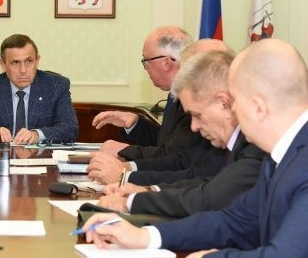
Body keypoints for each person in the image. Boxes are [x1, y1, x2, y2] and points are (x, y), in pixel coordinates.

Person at [82, 39, 308, 258]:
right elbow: (234, 221)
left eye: (235, 102)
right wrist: (147, 237)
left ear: (258, 107)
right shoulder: (282, 155)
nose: (233, 113)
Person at [97, 50, 265, 218]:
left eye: (197, 115)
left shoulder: (256, 147)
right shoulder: (236, 140)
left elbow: (208, 195)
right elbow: (208, 183)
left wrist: (133, 194)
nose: (194, 127)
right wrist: (149, 190)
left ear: (223, 103)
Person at [88, 39, 231, 184]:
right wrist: (135, 124)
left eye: (146, 61)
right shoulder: (181, 98)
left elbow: (181, 160)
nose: (195, 126)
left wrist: (126, 168)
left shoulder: (199, 105)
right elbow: (170, 143)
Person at [92, 27, 196, 161]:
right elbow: (164, 143)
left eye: (146, 61)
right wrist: (134, 123)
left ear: (166, 63)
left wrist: (124, 150)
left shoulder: (192, 99)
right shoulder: (174, 93)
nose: (145, 67)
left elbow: (173, 157)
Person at [0, 34, 78, 144]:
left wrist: (36, 135)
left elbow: (70, 129)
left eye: (29, 61)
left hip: (41, 157)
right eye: (15, 63)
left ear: (37, 61)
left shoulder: (56, 86)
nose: (23, 70)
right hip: (2, 157)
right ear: (3, 64)